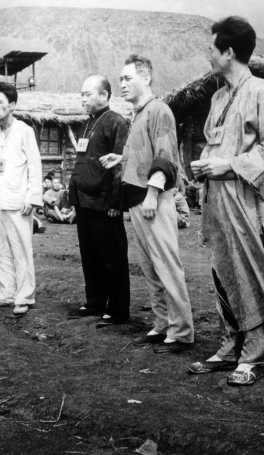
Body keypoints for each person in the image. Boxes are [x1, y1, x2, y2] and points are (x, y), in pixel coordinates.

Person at [188, 17, 264, 385]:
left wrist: (229, 166)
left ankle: (254, 352)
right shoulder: (219, 96)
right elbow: (219, 141)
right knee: (222, 270)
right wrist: (206, 166)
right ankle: (228, 344)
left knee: (248, 270)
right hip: (216, 198)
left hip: (244, 198)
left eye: (212, 48)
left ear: (229, 52)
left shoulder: (261, 91)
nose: (208, 55)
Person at [100, 54, 194, 354]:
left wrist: (153, 193)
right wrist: (122, 158)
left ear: (146, 78)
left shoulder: (159, 111)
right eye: (120, 79)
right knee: (150, 267)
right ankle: (163, 324)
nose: (122, 83)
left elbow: (164, 157)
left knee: (166, 265)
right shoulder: (138, 114)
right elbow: (143, 153)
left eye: (127, 78)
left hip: (153, 199)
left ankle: (182, 332)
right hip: (137, 201)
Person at [68, 74, 130, 326]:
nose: (83, 99)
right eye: (81, 94)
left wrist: (117, 202)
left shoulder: (116, 122)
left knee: (111, 258)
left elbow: (121, 165)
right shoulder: (88, 123)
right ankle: (95, 302)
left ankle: (117, 310)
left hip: (105, 204)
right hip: (84, 202)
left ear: (104, 95)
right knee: (89, 255)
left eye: (87, 94)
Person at [0, 81, 43, 316]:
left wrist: (32, 197)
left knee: (21, 249)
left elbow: (34, 166)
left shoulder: (24, 131)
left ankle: (24, 296)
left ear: (12, 105)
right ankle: (5, 293)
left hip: (18, 201)